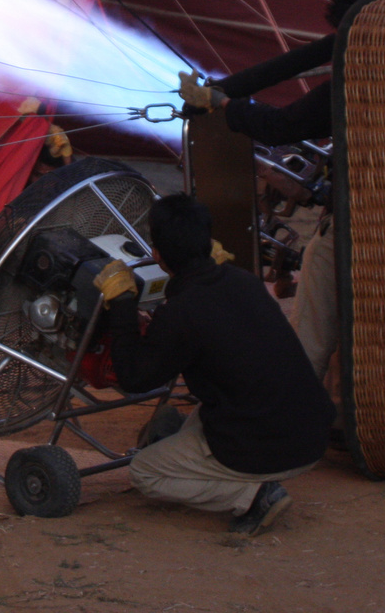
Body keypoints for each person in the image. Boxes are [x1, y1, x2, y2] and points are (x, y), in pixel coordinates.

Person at [94, 194, 335, 535]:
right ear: (208, 242)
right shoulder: (243, 280)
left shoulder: (181, 313)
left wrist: (120, 305)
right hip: (310, 431)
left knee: (144, 472)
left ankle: (253, 495)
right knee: (223, 393)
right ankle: (183, 445)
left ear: (158, 255)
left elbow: (135, 377)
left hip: (268, 443)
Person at [177, 0, 380, 384]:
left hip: (354, 221)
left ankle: (292, 401)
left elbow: (282, 126)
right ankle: (342, 409)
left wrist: (224, 105)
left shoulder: (356, 80)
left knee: (314, 324)